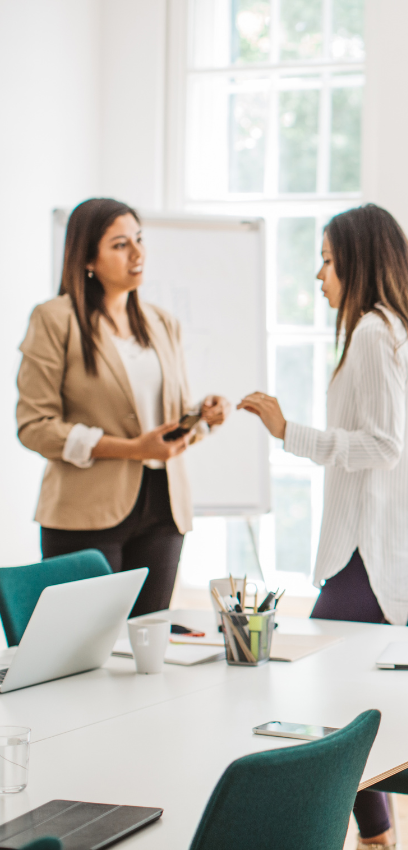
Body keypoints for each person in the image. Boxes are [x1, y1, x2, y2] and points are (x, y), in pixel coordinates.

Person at [239, 203, 408, 849]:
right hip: (378, 550)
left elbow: (381, 445)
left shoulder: (373, 332)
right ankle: (378, 835)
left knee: (327, 703)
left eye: (327, 260)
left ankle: (370, 835)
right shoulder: (393, 331)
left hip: (371, 557)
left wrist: (286, 432)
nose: (319, 275)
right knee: (343, 707)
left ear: (357, 261)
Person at [17, 198, 229, 617]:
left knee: (144, 647)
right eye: (120, 245)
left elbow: (166, 419)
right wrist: (132, 449)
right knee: (81, 651)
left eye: (139, 240)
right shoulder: (54, 319)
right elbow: (35, 426)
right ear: (87, 258)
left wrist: (202, 418)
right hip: (85, 511)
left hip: (162, 508)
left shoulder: (161, 323)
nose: (137, 253)